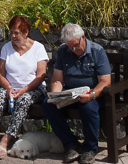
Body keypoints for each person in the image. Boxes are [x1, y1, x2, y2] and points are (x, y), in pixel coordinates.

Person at [0, 15, 48, 159]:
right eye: (11, 32)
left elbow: (41, 75)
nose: (13, 36)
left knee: (24, 100)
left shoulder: (38, 48)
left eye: (16, 32)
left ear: (26, 32)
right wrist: (9, 88)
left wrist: (24, 90)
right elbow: (1, 75)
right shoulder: (6, 48)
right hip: (11, 88)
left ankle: (4, 142)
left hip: (33, 89)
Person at [42, 24, 111, 164]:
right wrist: (56, 94)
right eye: (70, 47)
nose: (73, 50)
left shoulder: (97, 51)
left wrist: (92, 94)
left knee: (89, 108)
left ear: (83, 38)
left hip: (92, 94)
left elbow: (105, 82)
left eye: (76, 46)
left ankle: (90, 148)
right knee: (48, 104)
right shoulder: (63, 51)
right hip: (71, 94)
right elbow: (57, 79)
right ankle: (71, 144)